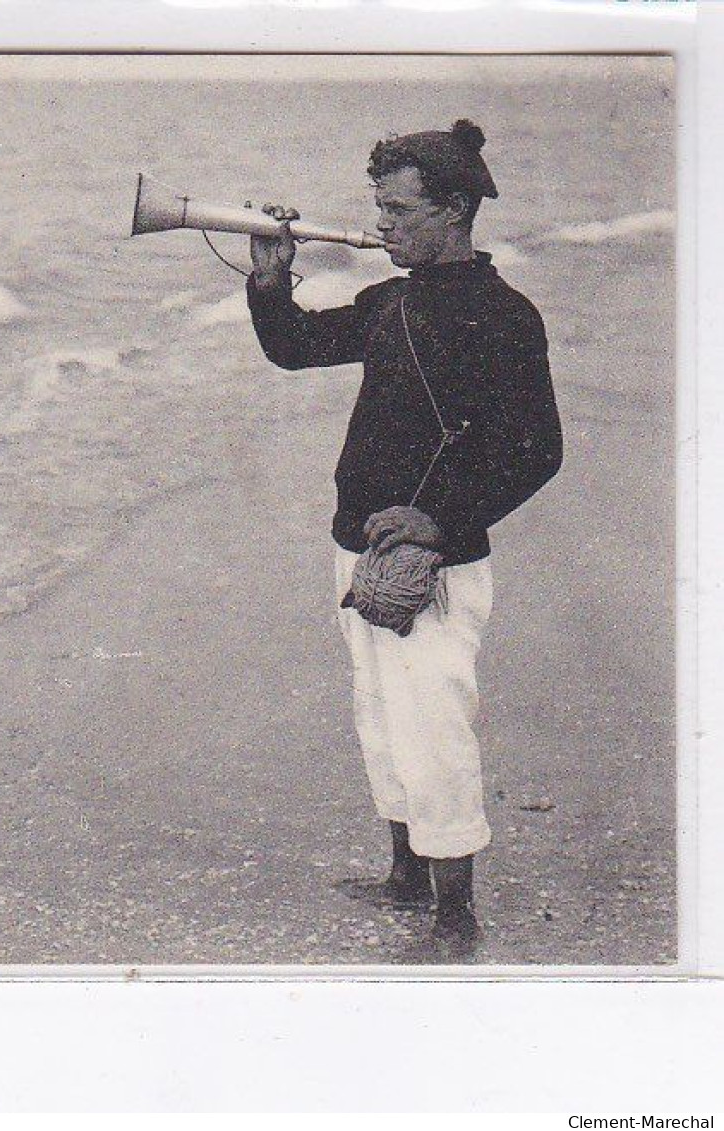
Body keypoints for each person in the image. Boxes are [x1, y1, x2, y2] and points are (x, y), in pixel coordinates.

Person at [245, 119, 563, 950]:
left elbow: (541, 451)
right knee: (380, 713)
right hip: (356, 543)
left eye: (398, 208)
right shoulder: (392, 298)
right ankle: (404, 877)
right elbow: (297, 348)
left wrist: (440, 520)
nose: (380, 224)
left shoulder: (505, 315)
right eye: (378, 207)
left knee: (433, 726)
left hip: (435, 561)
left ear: (453, 209)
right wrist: (269, 285)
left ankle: (456, 913)